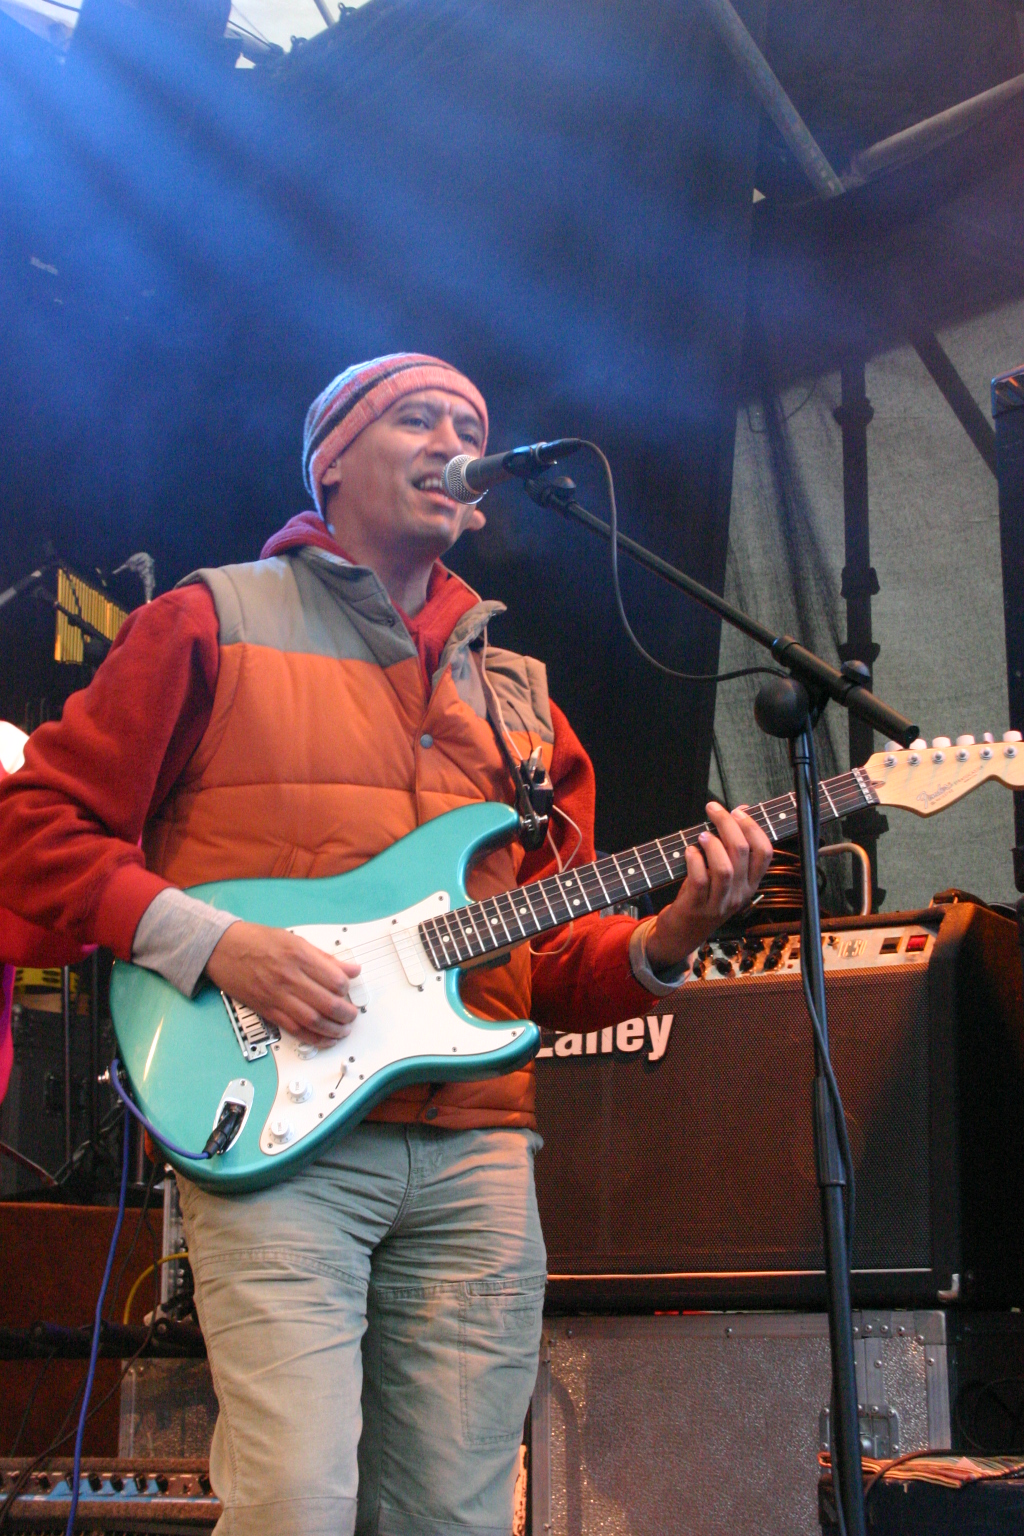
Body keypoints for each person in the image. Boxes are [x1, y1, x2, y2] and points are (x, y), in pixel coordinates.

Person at [0, 352, 772, 1536]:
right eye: (417, 418)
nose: (454, 442)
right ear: (331, 461)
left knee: (454, 1519)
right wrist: (215, 944)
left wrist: (674, 932)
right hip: (277, 1135)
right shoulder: (211, 618)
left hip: (477, 1154)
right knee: (296, 1505)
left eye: (469, 424)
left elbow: (541, 964)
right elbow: (30, 828)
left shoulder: (520, 704)